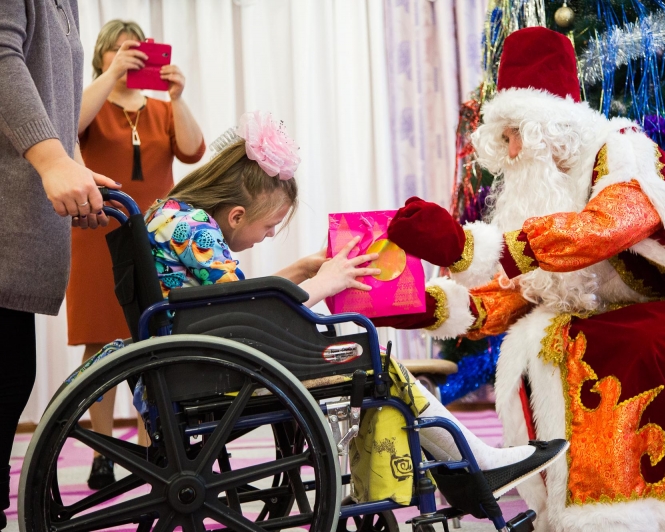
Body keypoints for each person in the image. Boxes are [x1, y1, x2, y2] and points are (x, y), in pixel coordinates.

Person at [379, 27, 665, 531]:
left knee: (602, 345)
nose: (510, 153)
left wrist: (470, 248)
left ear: (548, 126)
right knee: (546, 336)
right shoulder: (544, 189)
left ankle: (628, 512)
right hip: (623, 314)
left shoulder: (620, 151)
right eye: (505, 138)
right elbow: (520, 291)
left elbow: (604, 229)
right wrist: (423, 305)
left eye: (514, 135)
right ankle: (570, 510)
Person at [81, 109, 568, 508]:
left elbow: (229, 299)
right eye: (269, 227)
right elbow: (245, 311)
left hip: (195, 360)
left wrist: (300, 270)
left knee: (368, 356)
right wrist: (322, 283)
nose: (269, 235)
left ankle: (471, 464)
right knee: (371, 356)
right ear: (237, 215)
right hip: (213, 367)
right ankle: (477, 463)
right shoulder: (196, 230)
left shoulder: (172, 216)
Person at [66, 19, 205, 490]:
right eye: (119, 50)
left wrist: (178, 97)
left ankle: (153, 450)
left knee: (155, 341)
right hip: (96, 235)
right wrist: (110, 76)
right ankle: (102, 453)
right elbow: (68, 126)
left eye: (138, 50)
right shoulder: (92, 102)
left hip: (155, 237)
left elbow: (193, 151)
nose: (131, 57)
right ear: (101, 55)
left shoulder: (161, 109)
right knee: (99, 343)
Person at [0, 0, 122, 528]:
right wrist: (52, 160)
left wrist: (74, 166)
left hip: (21, 231)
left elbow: (57, 99)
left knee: (12, 375)